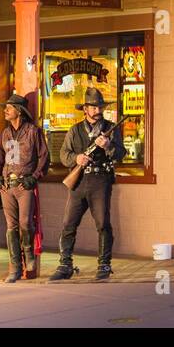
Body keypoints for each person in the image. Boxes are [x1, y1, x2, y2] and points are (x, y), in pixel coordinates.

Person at [51, 89, 124, 281]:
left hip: (100, 180)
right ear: (85, 109)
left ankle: (104, 265)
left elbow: (121, 154)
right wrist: (78, 158)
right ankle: (65, 265)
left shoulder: (110, 127)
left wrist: (108, 146)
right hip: (79, 180)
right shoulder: (74, 130)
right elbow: (63, 155)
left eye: (100, 106)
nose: (97, 109)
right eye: (93, 106)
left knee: (102, 224)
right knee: (68, 224)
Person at [0, 93, 49, 283]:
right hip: (7, 186)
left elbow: (44, 158)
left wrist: (34, 177)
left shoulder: (33, 132)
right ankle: (15, 268)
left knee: (25, 224)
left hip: (25, 186)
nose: (5, 111)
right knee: (11, 227)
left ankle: (30, 258)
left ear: (19, 111)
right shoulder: (4, 134)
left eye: (9, 107)